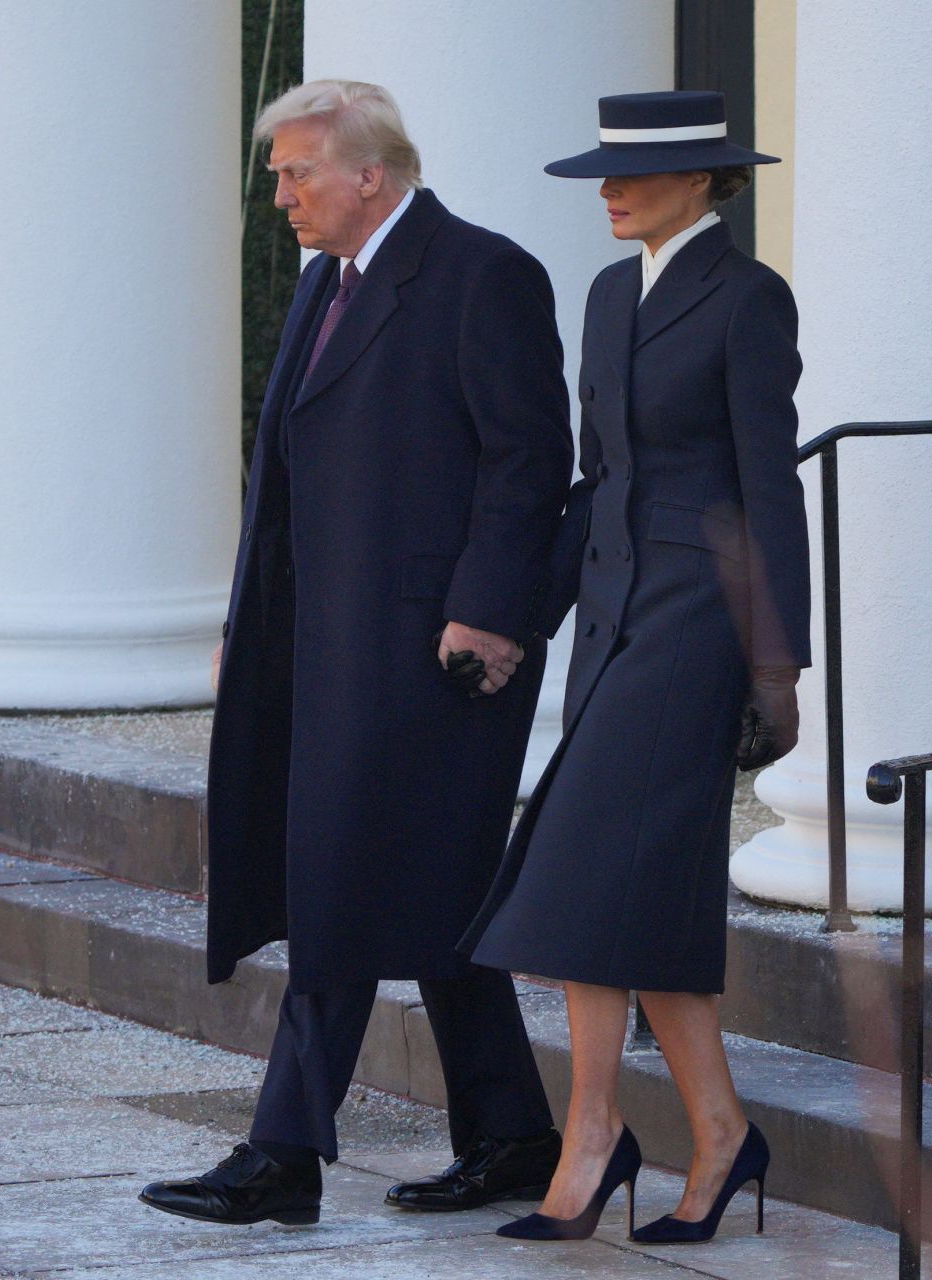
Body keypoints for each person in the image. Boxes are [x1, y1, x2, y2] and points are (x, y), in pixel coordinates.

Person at [138, 80, 575, 1228]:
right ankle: (516, 1134)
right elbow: (279, 478)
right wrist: (245, 623)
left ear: (370, 174)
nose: (280, 194)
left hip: (438, 654)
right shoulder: (325, 284)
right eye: (278, 174)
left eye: (297, 173)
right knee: (437, 893)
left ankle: (284, 1152)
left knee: (342, 879)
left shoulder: (485, 274)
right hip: (324, 647)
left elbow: (528, 460)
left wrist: (488, 611)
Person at [462, 90, 809, 1245]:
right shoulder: (611, 293)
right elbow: (597, 481)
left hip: (698, 624)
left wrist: (779, 663)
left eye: (631, 176)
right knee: (634, 896)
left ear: (705, 181)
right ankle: (716, 1131)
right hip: (611, 618)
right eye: (601, 175)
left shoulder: (749, 299)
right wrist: (519, 614)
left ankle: (594, 1135)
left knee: (574, 873)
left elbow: (773, 489)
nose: (606, 193)